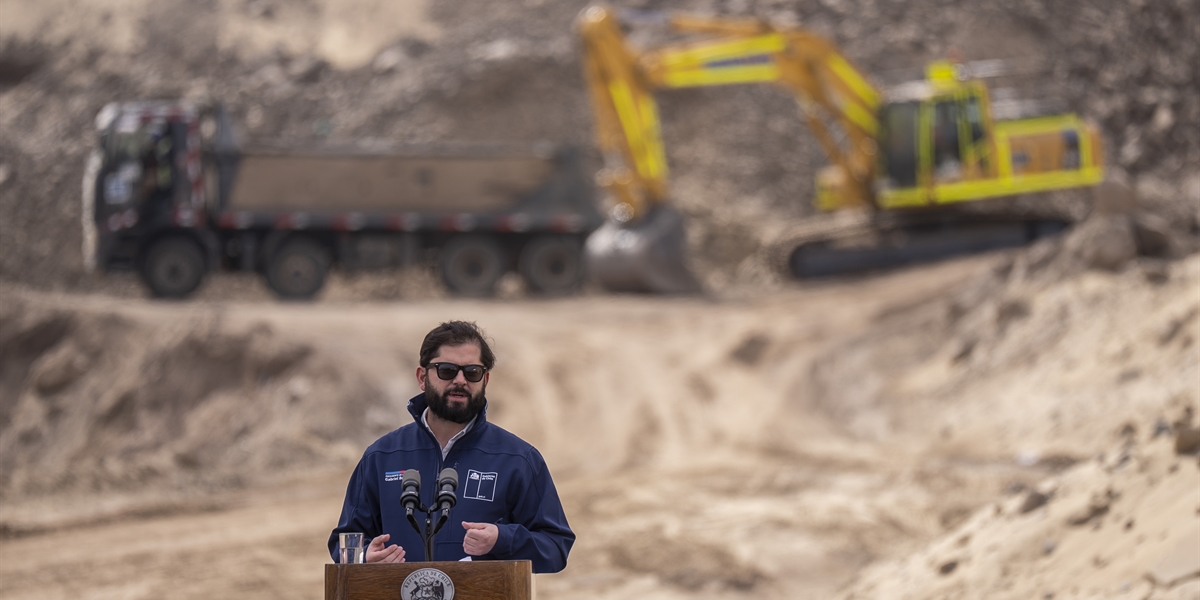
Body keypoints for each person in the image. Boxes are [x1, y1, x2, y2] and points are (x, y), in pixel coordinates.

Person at [328, 321, 574, 573]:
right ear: (422, 377)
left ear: (485, 379)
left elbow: (556, 547)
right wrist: (365, 558)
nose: (460, 380)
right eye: (447, 370)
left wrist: (502, 539)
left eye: (472, 372)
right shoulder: (382, 456)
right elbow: (345, 543)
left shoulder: (518, 459)